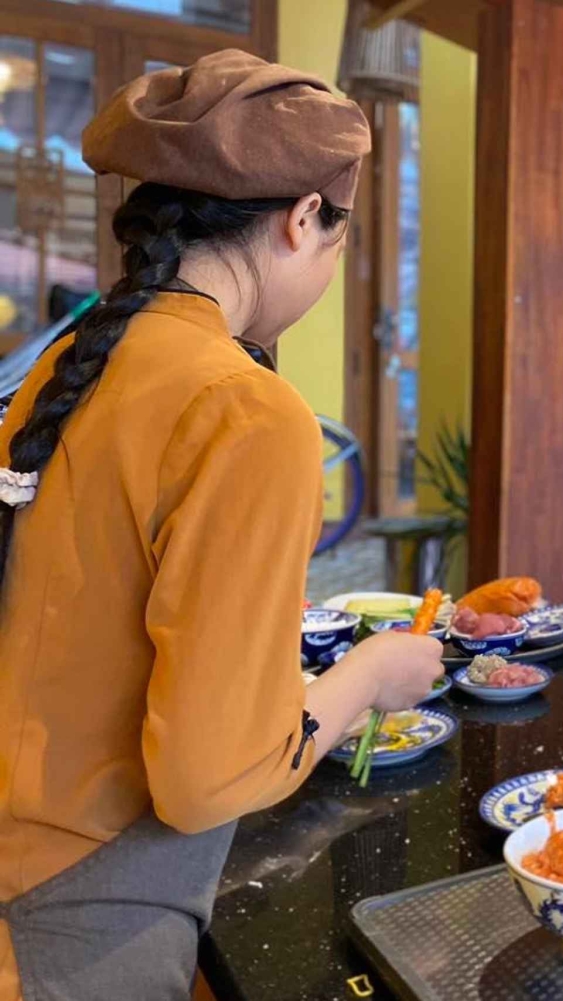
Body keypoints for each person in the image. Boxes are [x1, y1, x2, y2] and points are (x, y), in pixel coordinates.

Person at [0, 51, 444, 1000]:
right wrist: (371, 675)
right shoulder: (246, 408)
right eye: (339, 244)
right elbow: (210, 774)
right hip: (78, 921)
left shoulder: (62, 368)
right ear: (301, 220)